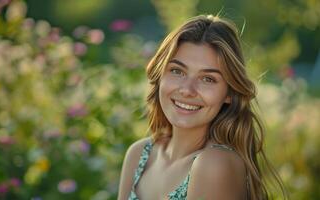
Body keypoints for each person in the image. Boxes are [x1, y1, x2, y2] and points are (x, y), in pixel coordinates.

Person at [118, 14, 286, 200]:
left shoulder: (214, 164)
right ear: (160, 76)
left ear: (229, 93)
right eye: (177, 71)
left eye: (208, 79)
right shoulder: (139, 154)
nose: (187, 90)